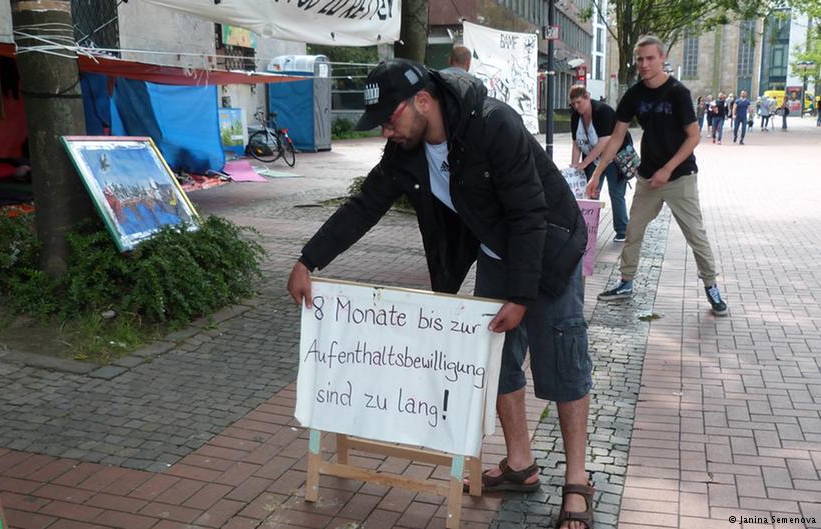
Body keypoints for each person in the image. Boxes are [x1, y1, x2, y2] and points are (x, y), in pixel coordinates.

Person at [286, 59, 595, 529]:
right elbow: (364, 205)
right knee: (496, 363)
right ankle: (520, 464)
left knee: (562, 364)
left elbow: (530, 214)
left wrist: (521, 296)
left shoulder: (494, 124)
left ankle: (577, 481)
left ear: (423, 102)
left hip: (548, 248)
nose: (387, 131)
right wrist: (308, 260)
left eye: (391, 119)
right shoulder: (406, 151)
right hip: (496, 254)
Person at [588, 35, 728, 317]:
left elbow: (693, 137)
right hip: (648, 178)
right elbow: (616, 138)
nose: (644, 64)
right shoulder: (635, 94)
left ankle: (712, 286)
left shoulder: (678, 93)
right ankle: (626, 282)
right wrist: (596, 175)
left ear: (663, 58)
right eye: (640, 59)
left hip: (680, 177)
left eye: (650, 58)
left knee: (696, 235)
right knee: (633, 230)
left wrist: (668, 169)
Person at [570, 85, 631, 241]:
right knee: (590, 193)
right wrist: (574, 166)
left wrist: (584, 163)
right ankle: (588, 230)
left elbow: (604, 141)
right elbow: (576, 143)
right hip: (593, 158)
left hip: (614, 157)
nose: (576, 107)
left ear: (587, 97)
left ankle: (622, 230)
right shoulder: (576, 116)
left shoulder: (602, 111)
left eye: (579, 102)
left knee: (616, 194)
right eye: (573, 104)